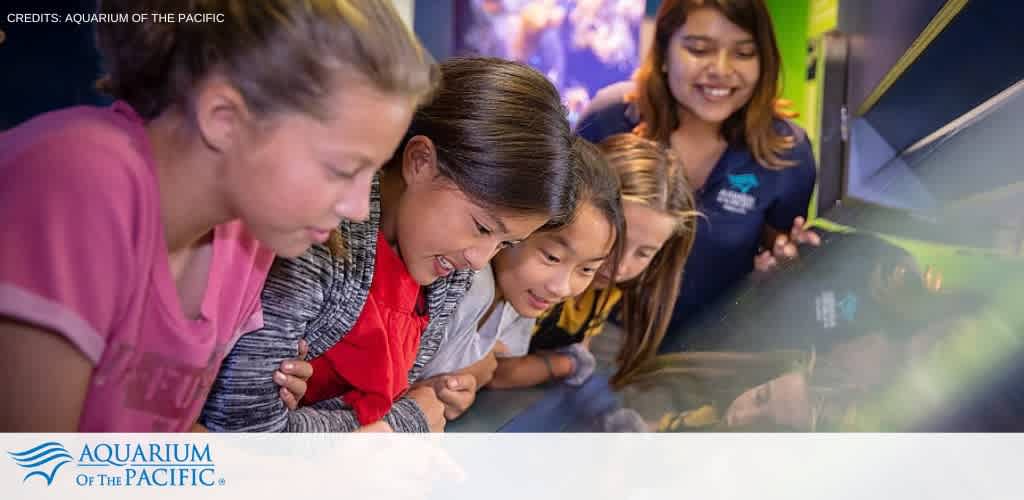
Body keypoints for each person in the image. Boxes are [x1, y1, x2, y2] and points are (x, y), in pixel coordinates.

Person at [0, 0, 434, 431]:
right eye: (342, 169)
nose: (358, 209)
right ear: (224, 119)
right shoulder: (75, 186)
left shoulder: (246, 242)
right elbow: (32, 471)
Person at [201, 57, 578, 432]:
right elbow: (245, 431)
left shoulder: (445, 274)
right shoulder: (318, 239)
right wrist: (405, 422)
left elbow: (395, 400)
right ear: (419, 161)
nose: (479, 260)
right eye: (481, 227)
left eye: (505, 243)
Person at [576, 0, 820, 351]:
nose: (721, 69)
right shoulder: (610, 117)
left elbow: (776, 254)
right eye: (699, 49)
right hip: (592, 335)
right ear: (663, 50)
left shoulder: (787, 151)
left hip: (713, 348)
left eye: (744, 53)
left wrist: (783, 269)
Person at [420, 137, 625, 396]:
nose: (561, 288)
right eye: (551, 257)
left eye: (587, 269)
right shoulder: (461, 284)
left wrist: (468, 382)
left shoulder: (521, 297)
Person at [529, 133, 700, 389]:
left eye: (643, 253)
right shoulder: (535, 277)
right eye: (616, 240)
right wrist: (565, 364)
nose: (620, 267)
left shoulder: (605, 291)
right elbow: (499, 371)